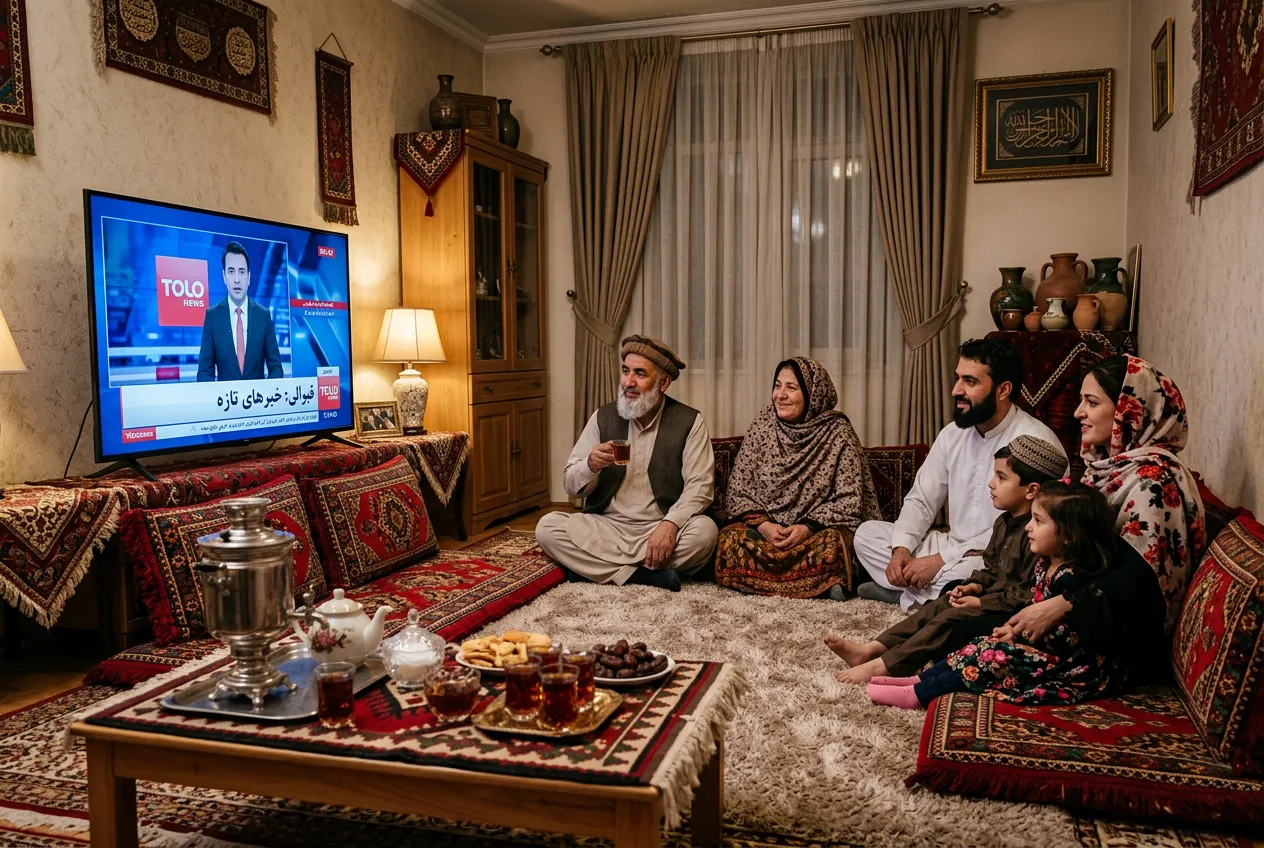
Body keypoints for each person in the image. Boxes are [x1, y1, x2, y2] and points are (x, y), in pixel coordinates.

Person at [866, 482, 1166, 710]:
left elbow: (1066, 637)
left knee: (988, 656)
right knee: (979, 644)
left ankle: (919, 695)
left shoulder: (1074, 578)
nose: (1029, 528)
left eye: (1038, 522)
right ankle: (917, 679)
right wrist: (1010, 630)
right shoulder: (1044, 565)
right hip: (1042, 647)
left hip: (1071, 665)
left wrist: (1015, 639)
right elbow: (1033, 607)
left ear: (1069, 535)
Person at [828, 435, 1066, 683]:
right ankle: (872, 649)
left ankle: (884, 667)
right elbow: (991, 567)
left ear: (1031, 490)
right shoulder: (1003, 521)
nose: (991, 484)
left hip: (1009, 610)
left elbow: (1027, 594)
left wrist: (980, 604)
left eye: (1001, 477)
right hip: (989, 594)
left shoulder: (1037, 535)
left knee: (950, 616)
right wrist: (974, 585)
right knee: (942, 602)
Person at [853, 338, 1064, 610]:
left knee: (975, 577)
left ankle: (906, 595)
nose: (956, 390)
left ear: (1003, 390)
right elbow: (921, 500)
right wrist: (901, 551)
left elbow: (1028, 531)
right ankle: (929, 597)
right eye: (957, 379)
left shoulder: (1035, 444)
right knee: (867, 535)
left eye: (970, 382)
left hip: (998, 556)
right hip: (950, 544)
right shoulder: (952, 434)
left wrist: (940, 560)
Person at [534, 335, 717, 592]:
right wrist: (590, 465)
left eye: (640, 374)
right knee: (547, 527)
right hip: (607, 527)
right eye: (625, 371)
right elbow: (570, 485)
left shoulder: (689, 421)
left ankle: (594, 568)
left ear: (663, 383)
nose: (628, 382)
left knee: (705, 532)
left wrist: (670, 525)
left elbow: (701, 487)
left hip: (659, 525)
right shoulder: (604, 416)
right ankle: (643, 575)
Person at [713, 358, 881, 599]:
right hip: (767, 531)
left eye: (791, 388)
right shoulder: (763, 424)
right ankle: (820, 586)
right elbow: (738, 490)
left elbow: (849, 500)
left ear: (813, 395)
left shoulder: (837, 432)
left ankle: (810, 583)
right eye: (777, 386)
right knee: (730, 539)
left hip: (814, 531)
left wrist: (807, 528)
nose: (780, 395)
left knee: (835, 544)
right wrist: (764, 525)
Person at [1075, 355, 1205, 630]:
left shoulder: (1153, 481)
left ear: (1131, 412)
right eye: (1081, 400)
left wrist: (1059, 606)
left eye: (1092, 402)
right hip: (1089, 609)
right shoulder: (1106, 469)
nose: (1078, 412)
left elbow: (1135, 582)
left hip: (1122, 631)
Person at [197, 242, 283, 382]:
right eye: (231, 272)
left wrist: (267, 393)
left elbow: (276, 368)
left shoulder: (263, 316)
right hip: (224, 402)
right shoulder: (213, 317)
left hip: (258, 400)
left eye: (241, 272)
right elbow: (205, 372)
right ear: (224, 276)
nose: (237, 279)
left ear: (248, 277)